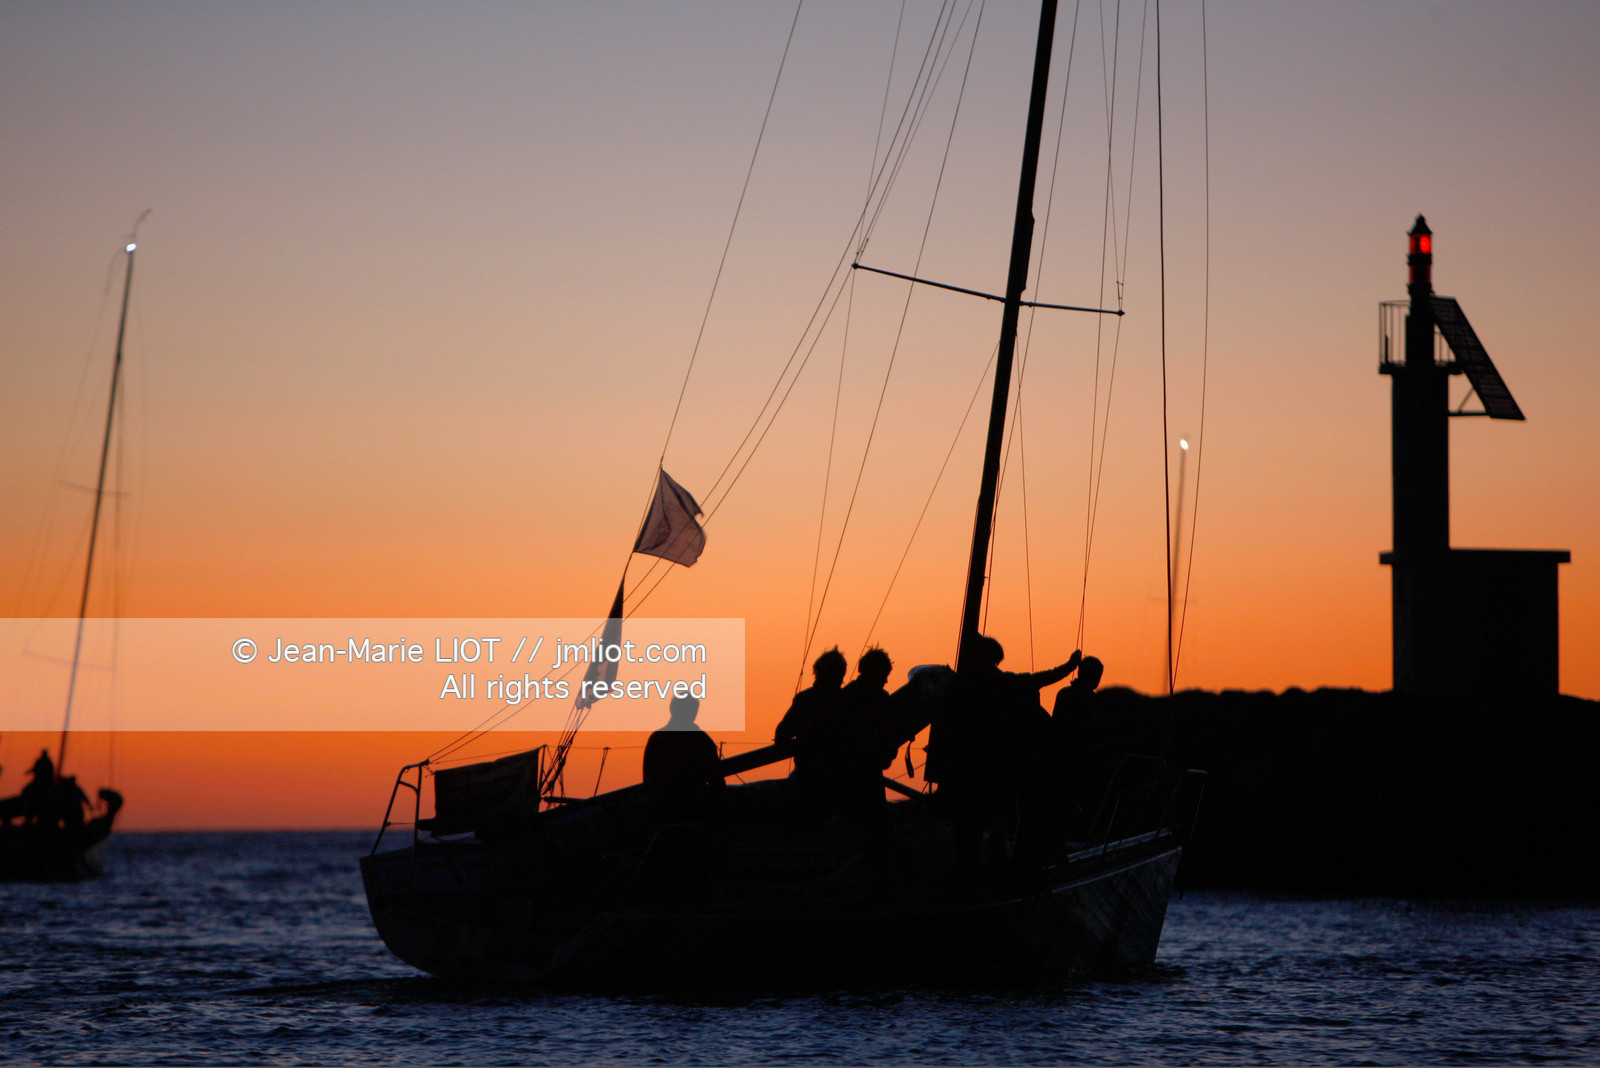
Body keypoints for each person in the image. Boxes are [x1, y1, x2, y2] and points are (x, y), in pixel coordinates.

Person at [811, 648, 900, 819]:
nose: (886, 680)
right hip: (863, 778)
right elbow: (889, 736)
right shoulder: (881, 702)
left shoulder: (843, 697)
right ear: (872, 672)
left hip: (845, 777)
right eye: (884, 674)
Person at [774, 647, 848, 787]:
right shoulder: (847, 701)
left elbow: (782, 735)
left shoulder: (805, 699)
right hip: (839, 778)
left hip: (808, 775)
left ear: (817, 672)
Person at [642, 696, 724, 819]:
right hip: (695, 809)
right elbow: (716, 780)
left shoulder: (658, 738)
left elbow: (648, 779)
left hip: (662, 809)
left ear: (672, 709)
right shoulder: (702, 740)